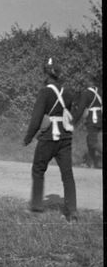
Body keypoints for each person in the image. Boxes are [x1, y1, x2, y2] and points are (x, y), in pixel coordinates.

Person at [23, 58, 77, 222]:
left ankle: (37, 208)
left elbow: (36, 118)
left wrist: (28, 138)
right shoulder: (68, 92)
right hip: (65, 137)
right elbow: (70, 115)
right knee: (67, 174)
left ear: (46, 75)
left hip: (48, 138)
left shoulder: (44, 92)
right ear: (58, 75)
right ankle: (72, 212)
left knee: (38, 170)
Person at [73, 73, 102, 168]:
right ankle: (91, 162)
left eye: (86, 80)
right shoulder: (100, 91)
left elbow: (80, 109)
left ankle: (91, 162)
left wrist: (73, 122)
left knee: (92, 142)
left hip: (93, 120)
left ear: (89, 81)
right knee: (89, 139)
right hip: (100, 118)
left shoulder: (86, 93)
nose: (84, 82)